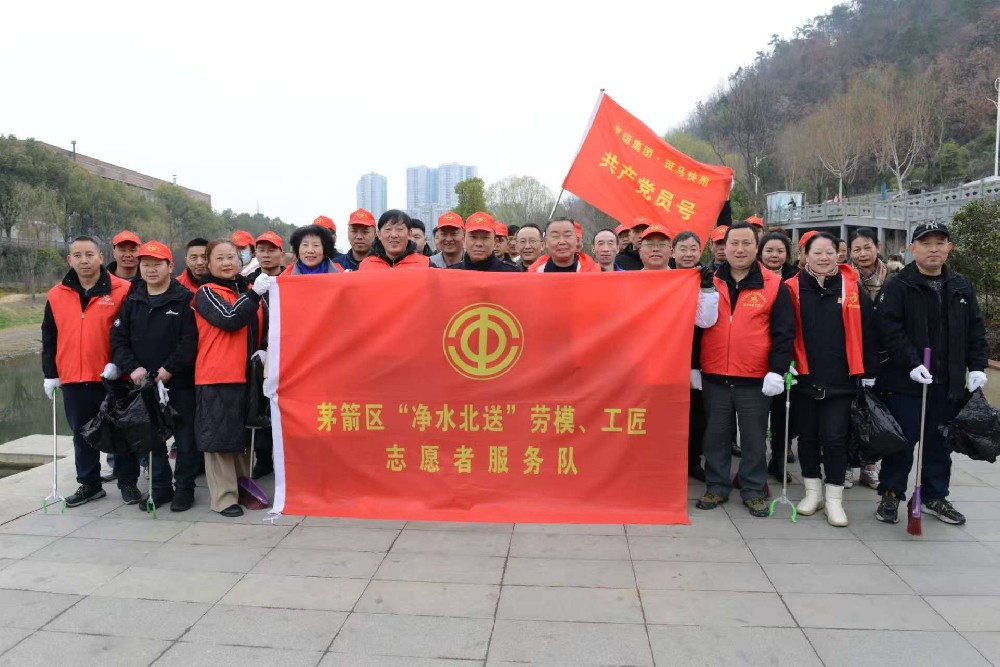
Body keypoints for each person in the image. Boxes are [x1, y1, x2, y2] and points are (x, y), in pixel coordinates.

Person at [874, 221, 989, 526]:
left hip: (948, 382)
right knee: (902, 441)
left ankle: (934, 496)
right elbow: (889, 328)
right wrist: (912, 363)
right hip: (906, 382)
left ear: (949, 248)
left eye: (940, 243)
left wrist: (977, 366)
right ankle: (891, 493)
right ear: (913, 249)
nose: (933, 249)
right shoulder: (899, 285)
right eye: (926, 243)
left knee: (940, 443)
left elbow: (975, 330)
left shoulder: (961, 286)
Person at [695, 222, 795, 517]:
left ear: (756, 247)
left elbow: (784, 333)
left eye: (746, 243)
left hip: (754, 377)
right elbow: (695, 329)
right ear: (723, 247)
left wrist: (777, 370)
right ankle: (716, 486)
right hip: (714, 374)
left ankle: (753, 489)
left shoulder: (773, 285)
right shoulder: (708, 280)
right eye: (734, 244)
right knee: (716, 436)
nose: (740, 249)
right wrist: (694, 366)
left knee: (753, 439)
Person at [787, 232, 878, 527]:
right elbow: (782, 331)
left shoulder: (851, 288)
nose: (824, 257)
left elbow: (869, 332)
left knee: (836, 438)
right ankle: (812, 493)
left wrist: (869, 373)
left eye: (830, 252)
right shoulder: (791, 288)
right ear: (805, 255)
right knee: (808, 437)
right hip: (804, 377)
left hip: (841, 378)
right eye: (817, 252)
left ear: (839, 255)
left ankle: (835, 498)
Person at [41, 236, 131, 507]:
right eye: (77, 255)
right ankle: (89, 484)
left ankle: (128, 482)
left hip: (112, 376)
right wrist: (50, 374)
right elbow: (49, 337)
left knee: (121, 432)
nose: (84, 260)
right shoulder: (56, 294)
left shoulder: (122, 290)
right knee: (82, 435)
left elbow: (130, 333)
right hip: (73, 377)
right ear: (69, 260)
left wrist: (120, 363)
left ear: (101, 257)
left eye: (89, 254)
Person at [110, 241, 199, 511]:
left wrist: (168, 370)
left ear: (170, 266)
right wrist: (132, 368)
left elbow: (190, 341)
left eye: (157, 264)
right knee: (152, 440)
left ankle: (184, 489)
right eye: (145, 264)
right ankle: (160, 489)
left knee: (185, 440)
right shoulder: (132, 299)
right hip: (143, 383)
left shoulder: (185, 299)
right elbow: (118, 338)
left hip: (179, 382)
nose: (150, 269)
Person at [193, 239, 268, 517]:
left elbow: (265, 325)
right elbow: (230, 318)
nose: (226, 263)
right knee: (219, 439)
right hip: (218, 375)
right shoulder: (206, 292)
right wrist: (254, 295)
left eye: (231, 257)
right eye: (219, 258)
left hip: (247, 375)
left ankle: (242, 488)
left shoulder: (248, 289)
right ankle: (223, 498)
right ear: (208, 263)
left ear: (240, 260)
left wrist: (263, 348)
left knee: (242, 437)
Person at [757, 231, 800, 479]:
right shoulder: (752, 276)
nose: (774, 255)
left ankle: (779, 457)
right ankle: (755, 461)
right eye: (769, 250)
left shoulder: (796, 279)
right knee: (757, 414)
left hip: (788, 354)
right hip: (757, 355)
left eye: (780, 251)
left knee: (784, 413)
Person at [360, 210, 431, 270]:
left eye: (399, 229)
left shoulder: (427, 265)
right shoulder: (364, 266)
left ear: (409, 234)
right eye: (388, 229)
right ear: (379, 234)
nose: (393, 235)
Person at [448, 213, 519, 272]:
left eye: (485, 238)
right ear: (463, 241)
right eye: (473, 237)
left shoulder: (511, 273)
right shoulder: (451, 273)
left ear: (495, 242)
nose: (479, 244)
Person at [528, 218, 602, 272]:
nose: (562, 241)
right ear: (546, 242)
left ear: (576, 240)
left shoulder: (595, 272)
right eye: (555, 236)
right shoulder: (534, 273)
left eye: (567, 235)